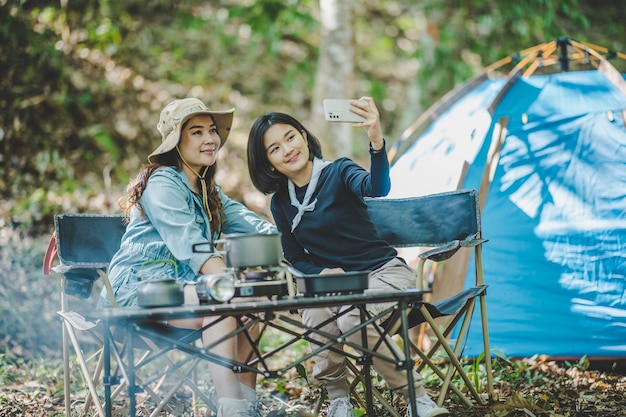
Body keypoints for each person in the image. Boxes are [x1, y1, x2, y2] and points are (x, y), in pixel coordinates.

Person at [246, 97, 449, 417]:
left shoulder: (339, 171)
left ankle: (415, 397)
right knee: (314, 313)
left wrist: (376, 139)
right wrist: (321, 273)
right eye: (274, 149)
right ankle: (339, 399)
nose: (287, 149)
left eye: (290, 137)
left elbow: (377, 187)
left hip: (384, 274)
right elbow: (294, 256)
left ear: (303, 136)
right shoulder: (281, 202)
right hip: (336, 286)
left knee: (354, 315)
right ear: (269, 163)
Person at [99, 97, 275, 417]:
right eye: (196, 132)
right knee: (223, 301)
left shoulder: (209, 191)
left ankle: (247, 404)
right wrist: (228, 282)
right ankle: (231, 408)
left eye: (212, 130)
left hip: (185, 291)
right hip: (142, 287)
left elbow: (254, 226)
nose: (210, 139)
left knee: (250, 306)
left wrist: (295, 244)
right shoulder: (163, 182)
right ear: (175, 142)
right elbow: (189, 242)